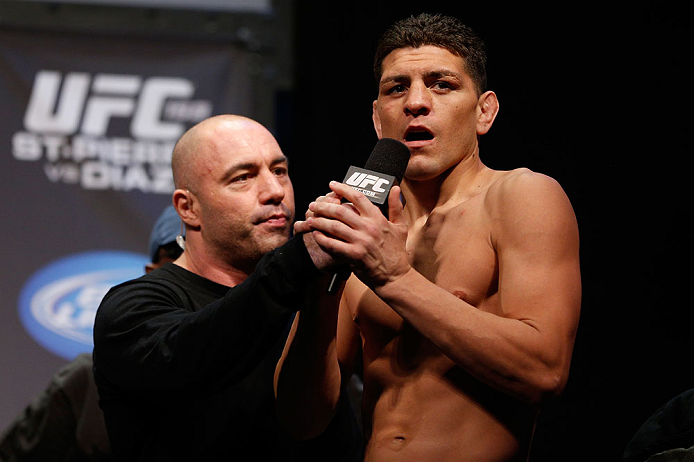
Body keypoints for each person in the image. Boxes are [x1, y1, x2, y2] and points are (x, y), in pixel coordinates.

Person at [274, 13, 581, 461]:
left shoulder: (521, 195)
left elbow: (544, 372)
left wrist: (396, 278)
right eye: (397, 88)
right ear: (378, 119)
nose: (416, 102)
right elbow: (302, 420)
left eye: (442, 84)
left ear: (484, 111)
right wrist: (319, 287)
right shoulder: (359, 230)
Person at [92, 114, 361, 462]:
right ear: (188, 208)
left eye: (279, 170)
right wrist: (300, 260)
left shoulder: (321, 294)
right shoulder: (132, 308)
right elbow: (195, 355)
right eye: (243, 177)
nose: (274, 191)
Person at [0, 205, 184, 462]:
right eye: (180, 258)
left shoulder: (255, 383)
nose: (195, 275)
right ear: (152, 276)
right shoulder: (88, 385)